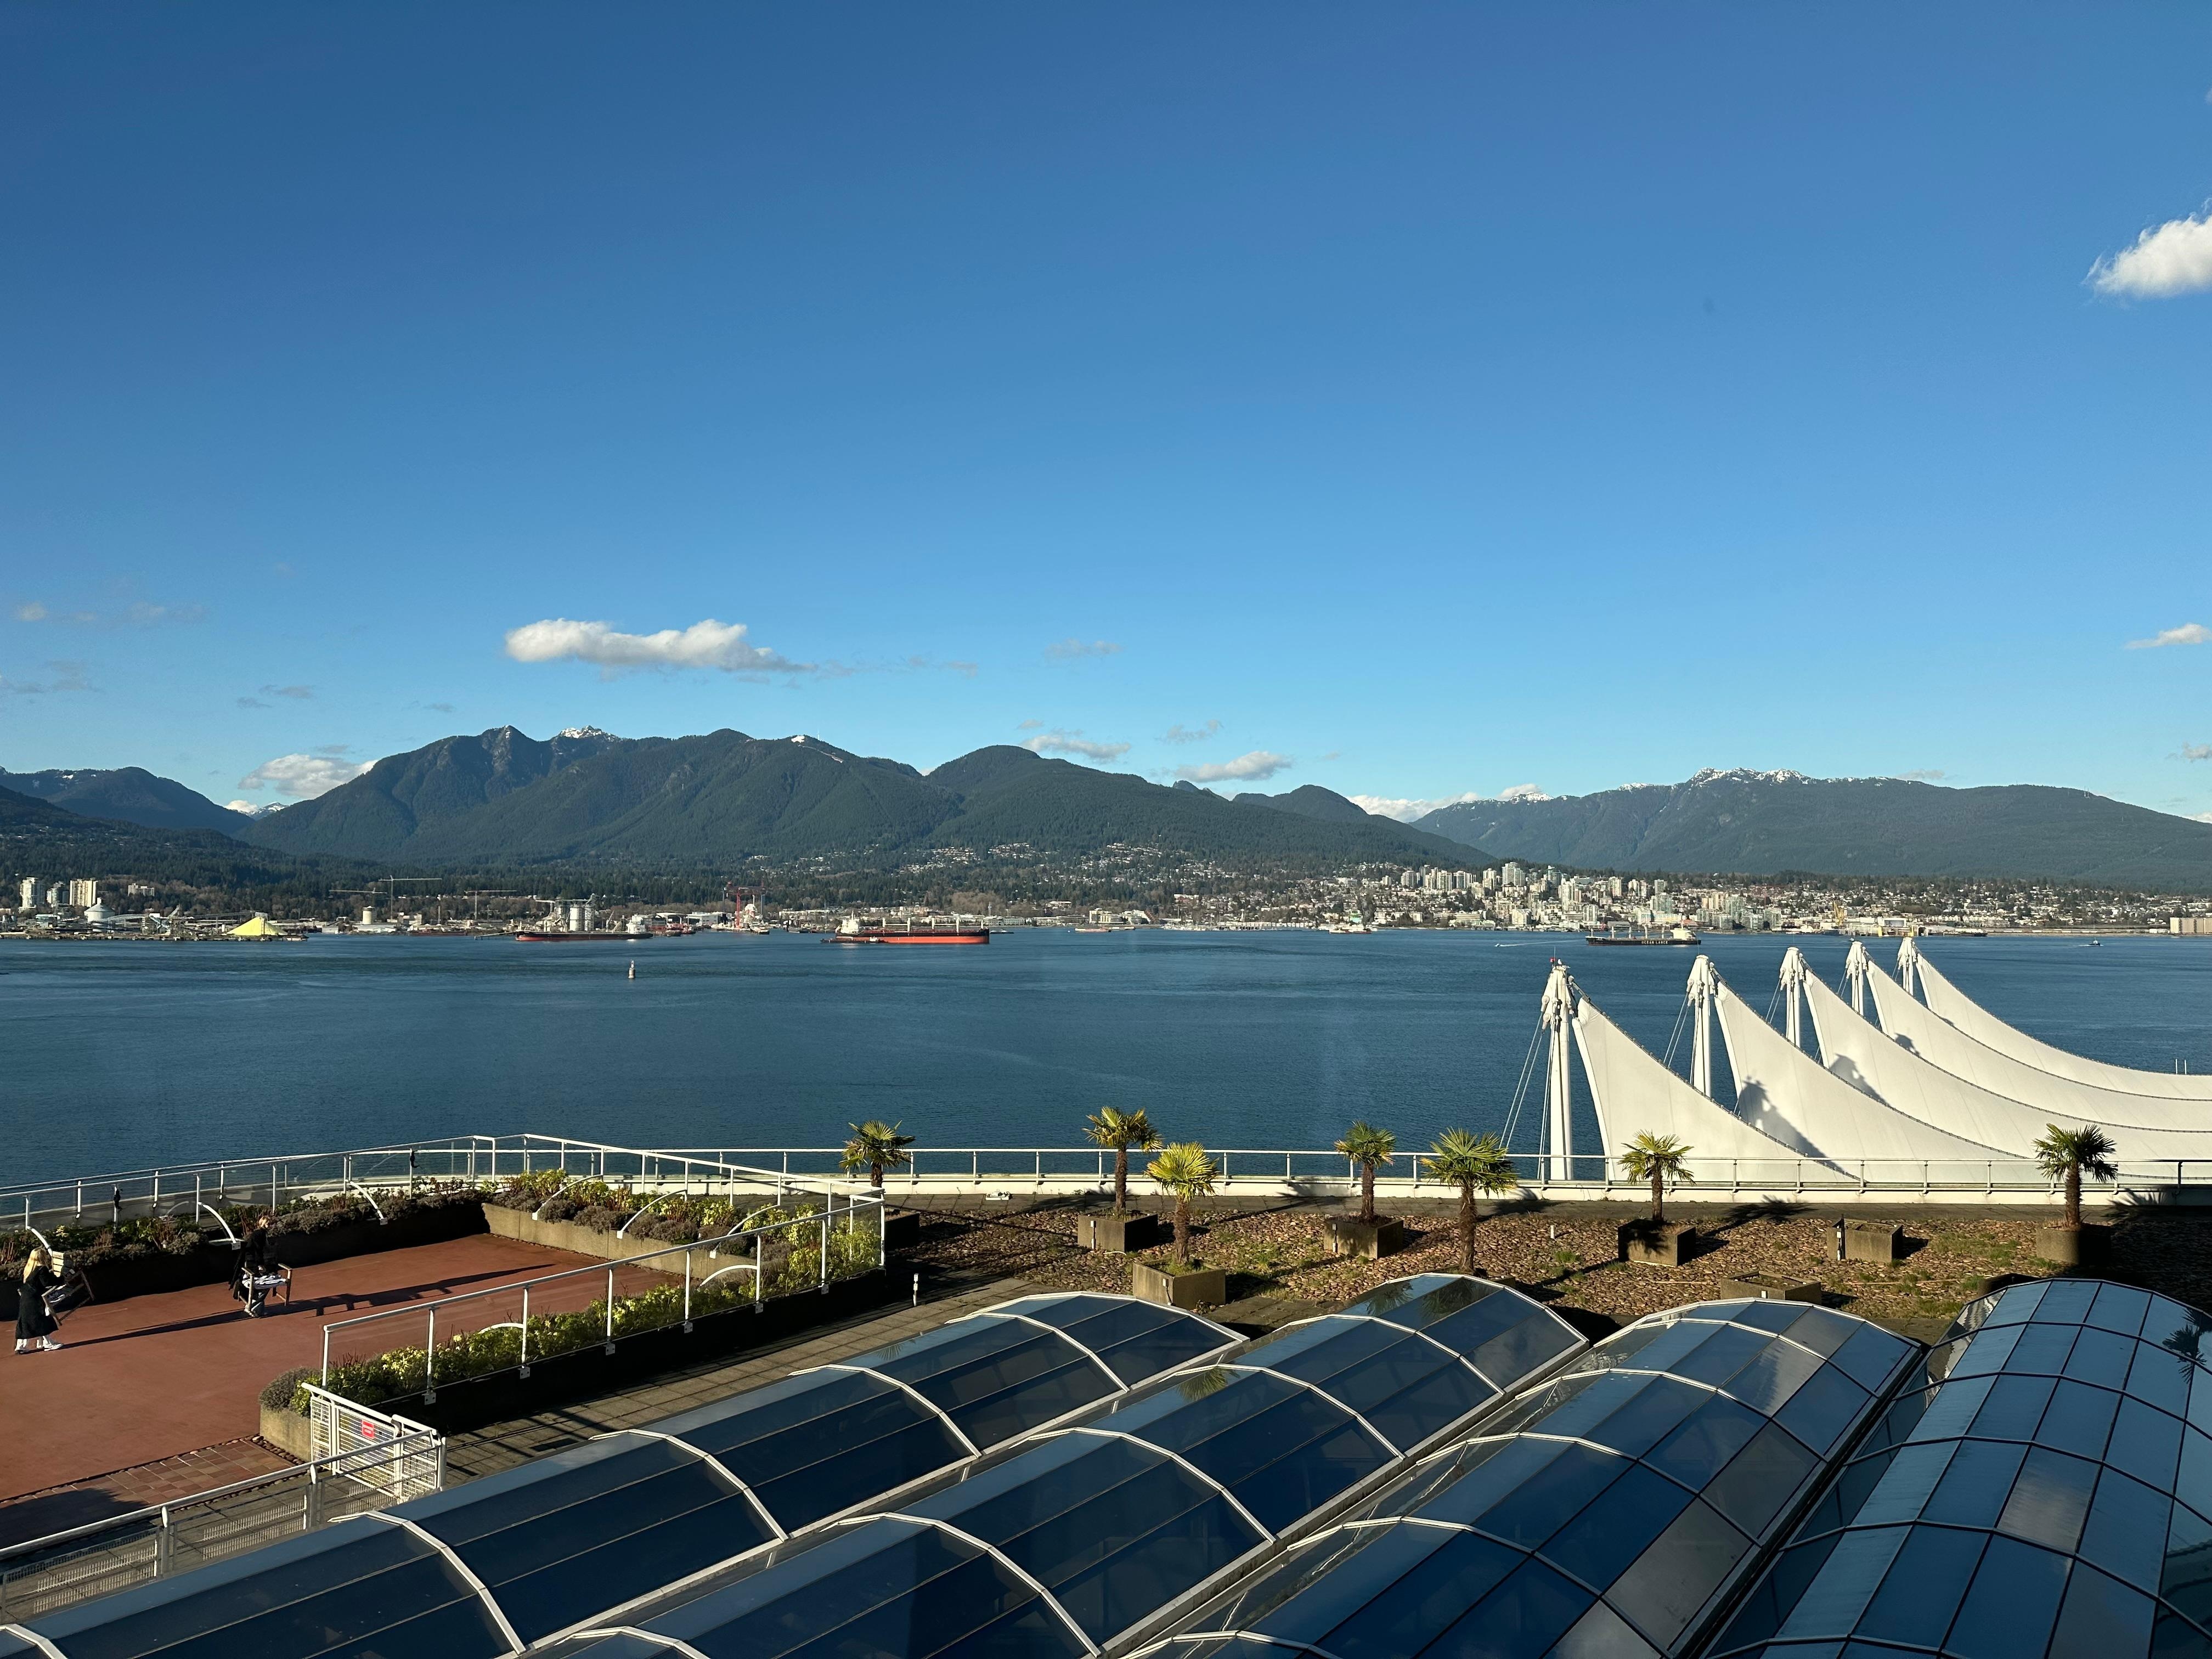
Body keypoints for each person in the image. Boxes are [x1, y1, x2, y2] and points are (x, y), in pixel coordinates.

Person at [15, 1246, 62, 1353]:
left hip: (25, 1297)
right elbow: (47, 1282)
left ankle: (21, 1346)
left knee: (25, 1320)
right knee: (42, 1319)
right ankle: (48, 1343)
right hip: (35, 1298)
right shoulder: (42, 1269)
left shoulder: (28, 1269)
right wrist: (61, 1279)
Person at [235, 1215, 281, 1316]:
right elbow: (257, 1250)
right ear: (263, 1224)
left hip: (255, 1262)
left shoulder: (262, 1233)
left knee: (265, 1285)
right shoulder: (259, 1234)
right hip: (253, 1264)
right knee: (265, 1285)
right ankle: (252, 1307)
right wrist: (260, 1265)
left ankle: (255, 1308)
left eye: (271, 1224)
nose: (270, 1226)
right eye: (268, 1224)